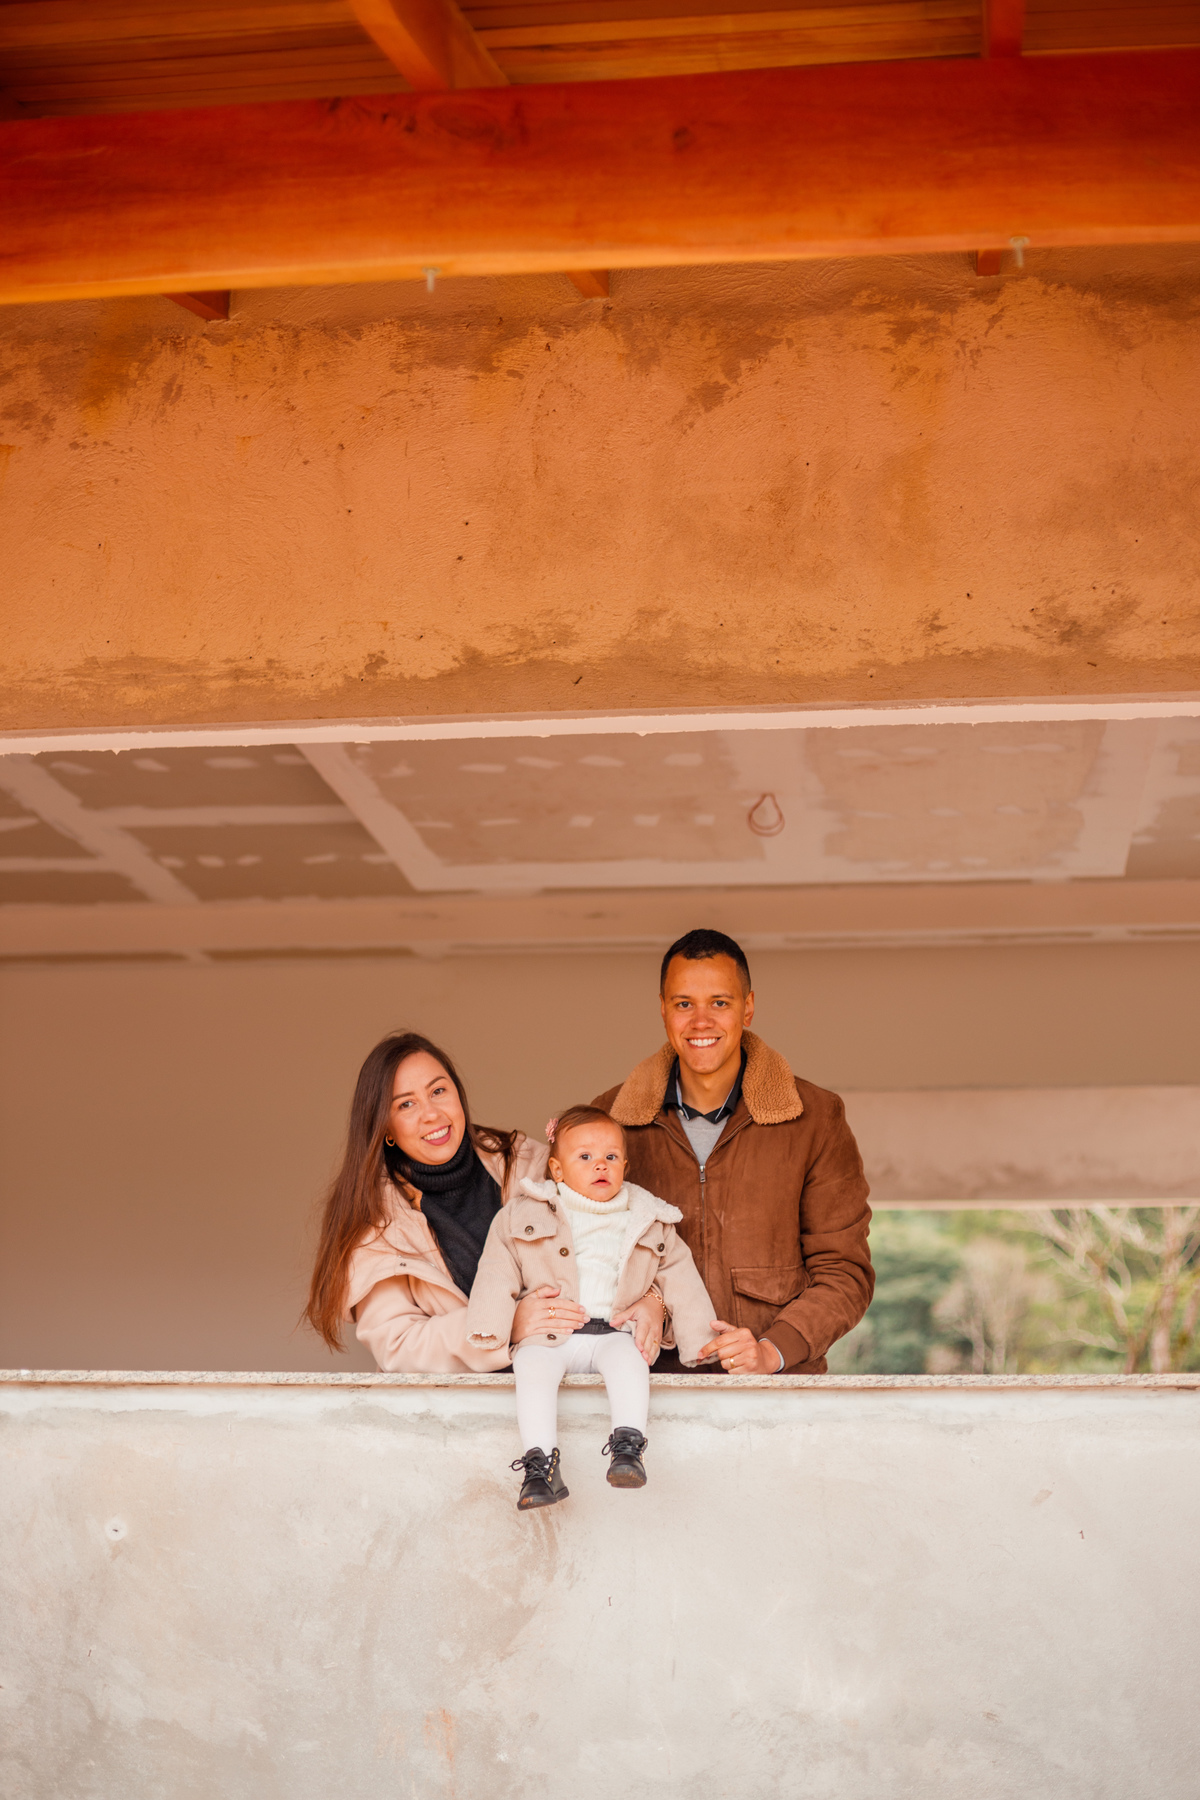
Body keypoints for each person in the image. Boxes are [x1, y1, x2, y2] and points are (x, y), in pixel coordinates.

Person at [592, 928, 873, 1375]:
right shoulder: (607, 1120)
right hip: (642, 1391)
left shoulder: (816, 1117)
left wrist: (772, 1350)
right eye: (684, 1004)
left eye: (719, 1003)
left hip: (777, 1394)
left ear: (748, 1007)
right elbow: (573, 1255)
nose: (701, 1021)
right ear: (663, 1009)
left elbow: (844, 1273)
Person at [305, 1033, 667, 1372]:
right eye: (406, 1104)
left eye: (439, 1091)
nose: (432, 1114)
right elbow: (400, 1346)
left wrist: (653, 1299)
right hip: (473, 1419)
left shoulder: (530, 1164)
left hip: (578, 1392)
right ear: (384, 1126)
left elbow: (626, 1229)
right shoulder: (378, 1226)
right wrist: (505, 1323)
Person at [465, 1105, 715, 1509]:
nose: (601, 1165)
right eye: (585, 1157)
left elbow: (679, 1275)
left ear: (625, 1166)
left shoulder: (648, 1216)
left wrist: (701, 1339)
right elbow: (497, 1268)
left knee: (632, 1361)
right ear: (557, 1170)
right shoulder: (524, 1212)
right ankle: (540, 1465)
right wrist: (490, 1326)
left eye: (611, 1158)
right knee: (530, 1370)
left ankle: (628, 1448)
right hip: (551, 1334)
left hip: (614, 1330)